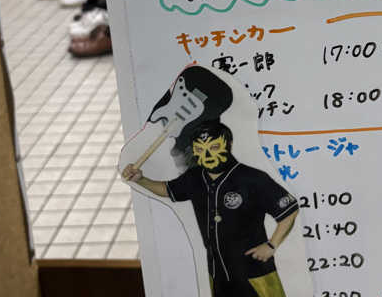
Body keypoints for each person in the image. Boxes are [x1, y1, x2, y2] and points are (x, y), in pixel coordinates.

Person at [122, 120, 299, 297]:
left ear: (228, 144)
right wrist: (141, 180)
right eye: (200, 149)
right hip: (218, 273)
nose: (207, 154)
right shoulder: (194, 177)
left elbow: (289, 210)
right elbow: (167, 190)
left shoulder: (252, 178)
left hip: (255, 272)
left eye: (214, 147)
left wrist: (271, 245)